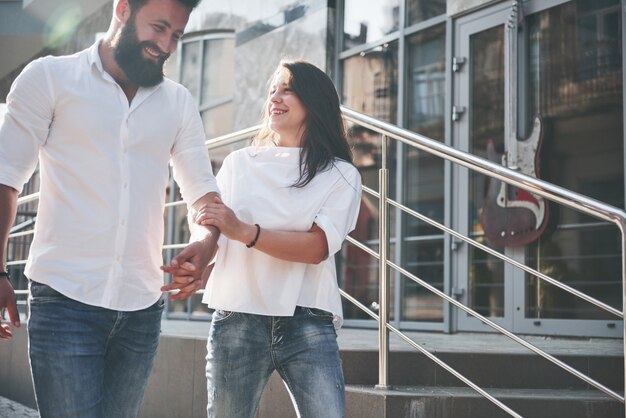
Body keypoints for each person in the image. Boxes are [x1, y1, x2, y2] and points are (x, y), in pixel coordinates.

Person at [0, 0, 220, 416]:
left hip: (141, 309)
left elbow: (203, 194)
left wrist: (207, 241)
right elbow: (6, 179)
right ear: (122, 9)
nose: (166, 45)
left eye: (176, 35)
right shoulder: (50, 78)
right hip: (64, 301)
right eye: (158, 27)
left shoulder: (178, 102)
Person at [192, 60, 362, 418]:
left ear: (313, 100)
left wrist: (245, 232)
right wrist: (202, 252)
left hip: (308, 320)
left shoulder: (340, 174)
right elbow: (214, 224)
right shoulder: (239, 163)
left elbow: (316, 247)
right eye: (272, 90)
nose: (275, 97)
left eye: (287, 88)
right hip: (237, 316)